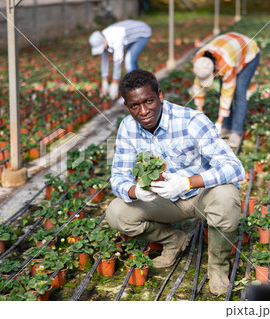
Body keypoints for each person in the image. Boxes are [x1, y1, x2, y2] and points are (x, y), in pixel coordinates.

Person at [106, 69, 245, 295]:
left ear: (160, 96)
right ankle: (173, 240)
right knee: (116, 212)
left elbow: (234, 167)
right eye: (134, 106)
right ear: (127, 106)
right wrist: (135, 192)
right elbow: (118, 177)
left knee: (226, 197)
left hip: (201, 195)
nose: (143, 111)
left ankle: (218, 266)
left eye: (148, 101)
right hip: (163, 201)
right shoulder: (128, 128)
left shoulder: (191, 121)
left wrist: (188, 182)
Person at [191, 32, 260, 148]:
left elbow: (227, 93)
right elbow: (198, 87)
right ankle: (226, 127)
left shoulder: (226, 65)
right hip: (230, 49)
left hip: (249, 53)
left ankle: (236, 131)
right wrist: (200, 111)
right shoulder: (199, 61)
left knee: (239, 91)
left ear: (214, 69)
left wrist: (218, 121)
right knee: (223, 90)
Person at [88, 20, 151, 100]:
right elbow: (104, 60)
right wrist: (104, 81)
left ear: (104, 40)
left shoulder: (116, 37)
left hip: (142, 32)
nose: (101, 49)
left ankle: (133, 94)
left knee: (129, 61)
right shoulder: (102, 38)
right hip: (130, 37)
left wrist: (115, 82)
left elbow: (118, 60)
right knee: (132, 64)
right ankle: (141, 87)